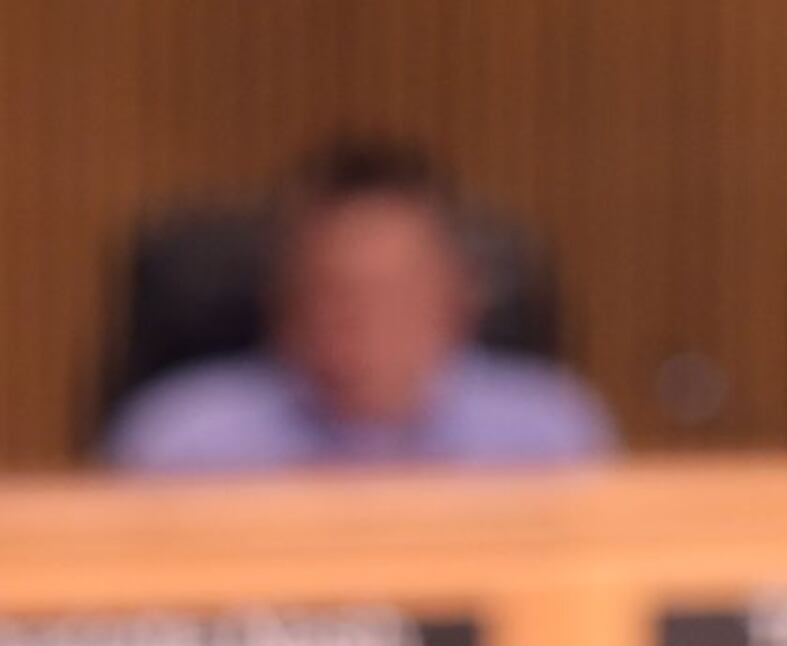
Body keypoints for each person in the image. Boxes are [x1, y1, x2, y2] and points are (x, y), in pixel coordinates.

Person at [103, 139, 615, 473]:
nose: (360, 321)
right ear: (283, 301)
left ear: (458, 303)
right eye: (334, 293)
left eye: (392, 295)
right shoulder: (182, 441)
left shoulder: (548, 435)